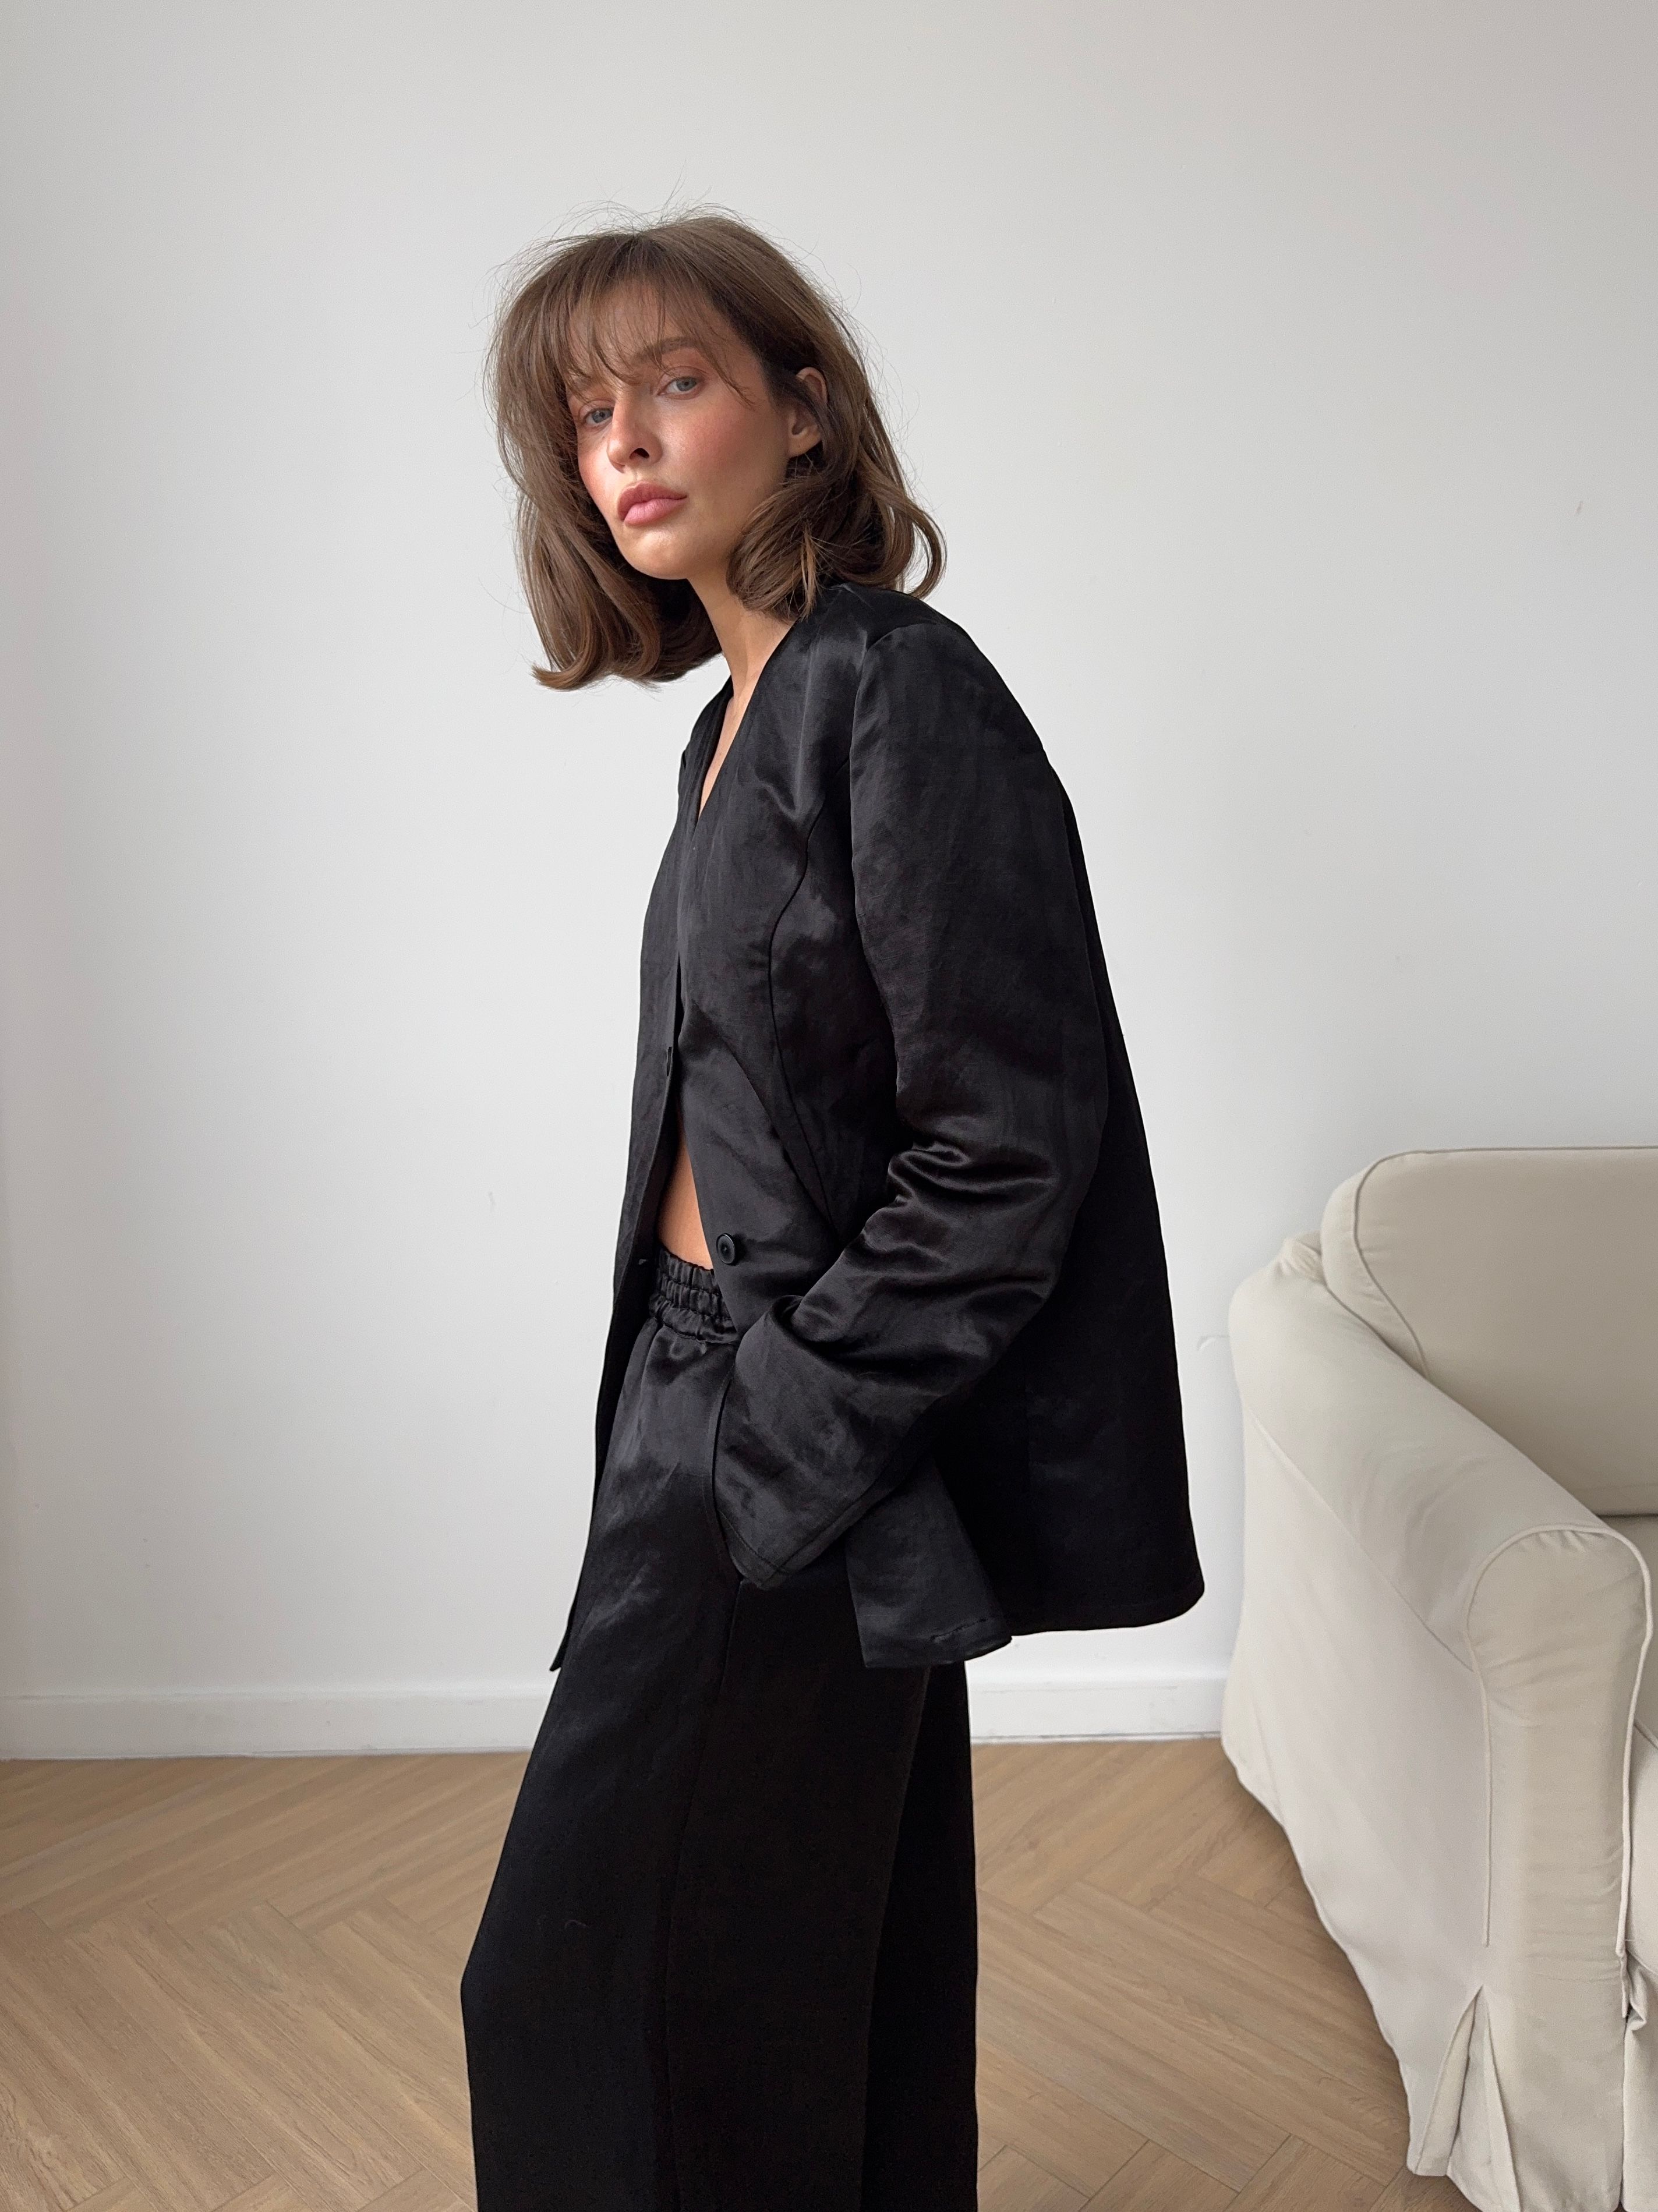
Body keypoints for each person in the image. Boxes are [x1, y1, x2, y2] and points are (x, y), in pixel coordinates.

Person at [459, 207, 1203, 2212]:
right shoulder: (726, 726)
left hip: (792, 1418)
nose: (625, 441)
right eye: (587, 414)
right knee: (813, 1958)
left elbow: (1010, 1143)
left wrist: (782, 1427)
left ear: (802, 411)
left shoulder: (897, 690)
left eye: (674, 382)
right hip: (700, 1393)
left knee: (568, 1983)